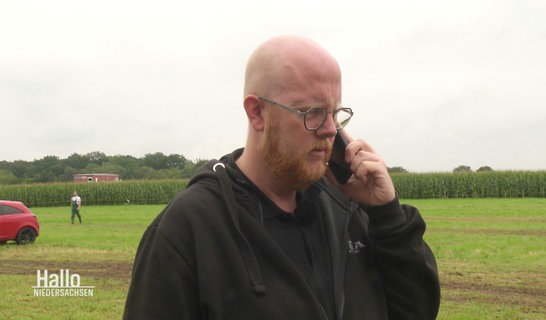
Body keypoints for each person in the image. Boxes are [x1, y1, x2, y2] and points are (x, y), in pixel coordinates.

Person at [123, 35, 440, 319]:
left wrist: (387, 216)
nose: (331, 129)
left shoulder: (349, 208)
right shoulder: (191, 228)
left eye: (336, 113)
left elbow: (416, 311)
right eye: (312, 113)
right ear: (257, 113)